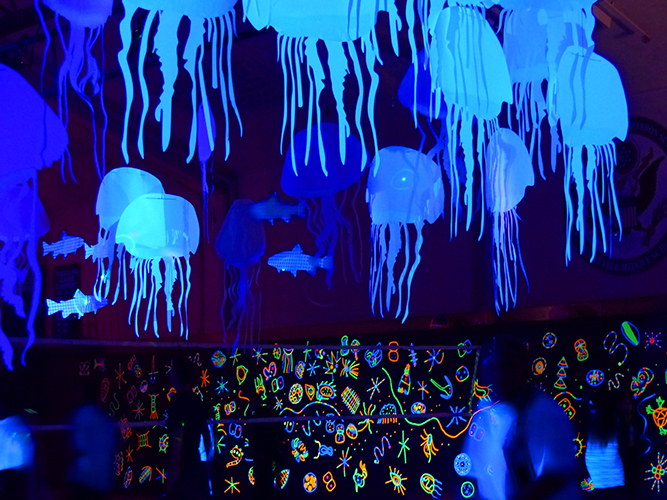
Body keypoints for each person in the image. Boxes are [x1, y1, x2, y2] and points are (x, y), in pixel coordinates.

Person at [465, 337, 582, 500]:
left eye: (508, 366)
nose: (500, 375)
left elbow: (557, 473)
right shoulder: (485, 416)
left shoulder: (544, 409)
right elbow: (481, 476)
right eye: (495, 367)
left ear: (524, 370)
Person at [166, 358, 211, 500]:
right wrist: (208, 464)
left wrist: (174, 468)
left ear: (177, 375)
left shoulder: (177, 401)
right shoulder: (197, 400)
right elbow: (206, 433)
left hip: (182, 464)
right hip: (194, 462)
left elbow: (178, 433)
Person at [69, 378, 117, 500]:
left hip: (85, 479)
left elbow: (79, 446)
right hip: (102, 479)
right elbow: (113, 444)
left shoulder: (82, 415)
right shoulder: (104, 416)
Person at [584, 391, 628, 500]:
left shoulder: (591, 424)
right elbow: (625, 452)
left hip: (599, 484)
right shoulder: (617, 422)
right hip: (613, 483)